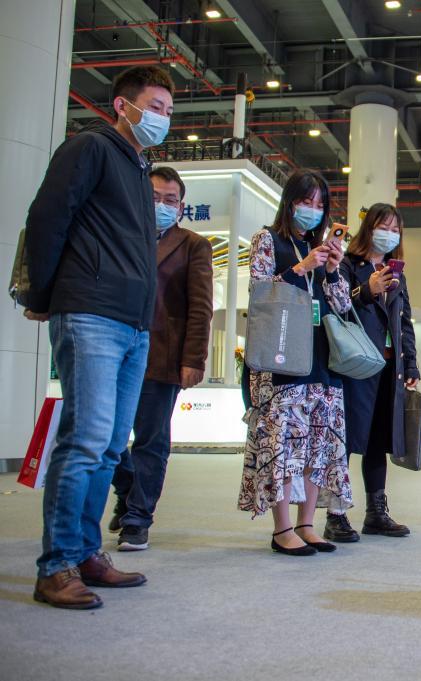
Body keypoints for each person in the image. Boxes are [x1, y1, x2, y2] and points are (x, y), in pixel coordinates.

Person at [23, 66, 175, 609]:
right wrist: (41, 294)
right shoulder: (90, 148)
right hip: (89, 313)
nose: (163, 118)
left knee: (111, 447)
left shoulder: (138, 167)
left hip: (132, 324)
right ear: (122, 105)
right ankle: (57, 564)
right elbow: (47, 218)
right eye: (154, 106)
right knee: (85, 441)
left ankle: (87, 552)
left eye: (168, 111)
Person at [237, 169, 351, 555]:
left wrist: (332, 271)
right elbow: (259, 292)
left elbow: (343, 307)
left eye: (319, 205)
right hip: (283, 357)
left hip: (322, 358)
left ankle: (307, 523)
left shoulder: (320, 249)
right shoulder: (268, 239)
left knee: (318, 443)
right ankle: (282, 528)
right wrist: (300, 269)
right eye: (305, 202)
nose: (312, 210)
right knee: (285, 442)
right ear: (289, 203)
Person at [107, 167, 213, 551]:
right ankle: (127, 488)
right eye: (155, 197)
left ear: (181, 207)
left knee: (151, 440)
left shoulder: (193, 245)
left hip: (163, 355)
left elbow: (201, 308)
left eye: (170, 200)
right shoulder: (118, 235)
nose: (162, 205)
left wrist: (194, 359)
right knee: (107, 436)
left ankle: (138, 518)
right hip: (112, 351)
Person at [323, 203, 420, 543]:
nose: (389, 234)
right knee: (347, 438)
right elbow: (337, 305)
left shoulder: (397, 273)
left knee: (379, 438)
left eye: (395, 229)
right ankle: (335, 513)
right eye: (384, 227)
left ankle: (376, 512)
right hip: (355, 362)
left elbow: (404, 321)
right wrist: (368, 289)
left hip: (389, 365)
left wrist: (411, 363)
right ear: (369, 228)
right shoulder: (348, 264)